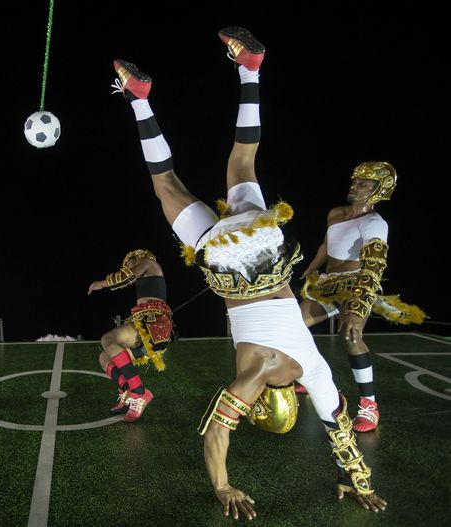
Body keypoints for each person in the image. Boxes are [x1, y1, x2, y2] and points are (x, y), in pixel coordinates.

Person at [111, 26, 386, 519]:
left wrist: (360, 481)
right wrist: (223, 487)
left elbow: (341, 431)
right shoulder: (253, 374)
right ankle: (139, 100)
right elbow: (217, 432)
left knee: (243, 161)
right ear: (262, 404)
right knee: (165, 183)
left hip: (268, 239)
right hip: (225, 256)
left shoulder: (315, 375)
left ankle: (250, 70)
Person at [296, 162, 425, 431]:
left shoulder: (375, 223)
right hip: (328, 283)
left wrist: (359, 302)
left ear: (378, 191)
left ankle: (369, 404)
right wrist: (311, 267)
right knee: (294, 326)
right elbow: (326, 244)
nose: (355, 186)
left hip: (358, 283)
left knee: (350, 334)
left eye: (364, 184)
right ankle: (314, 376)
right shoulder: (335, 213)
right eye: (355, 182)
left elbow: (374, 265)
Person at [88, 249, 173, 422]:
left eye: (128, 264)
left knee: (108, 340)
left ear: (136, 258)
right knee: (104, 357)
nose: (126, 268)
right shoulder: (147, 274)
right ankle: (130, 393)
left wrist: (101, 284)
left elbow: (126, 276)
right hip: (146, 327)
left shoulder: (149, 264)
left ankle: (140, 392)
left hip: (153, 325)